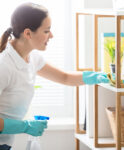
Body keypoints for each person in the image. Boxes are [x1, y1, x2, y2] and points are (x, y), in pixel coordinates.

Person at [0, 2, 109, 149]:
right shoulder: (4, 65)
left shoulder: (32, 58)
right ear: (28, 33)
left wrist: (92, 77)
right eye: (46, 31)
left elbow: (64, 77)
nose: (51, 35)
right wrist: (24, 126)